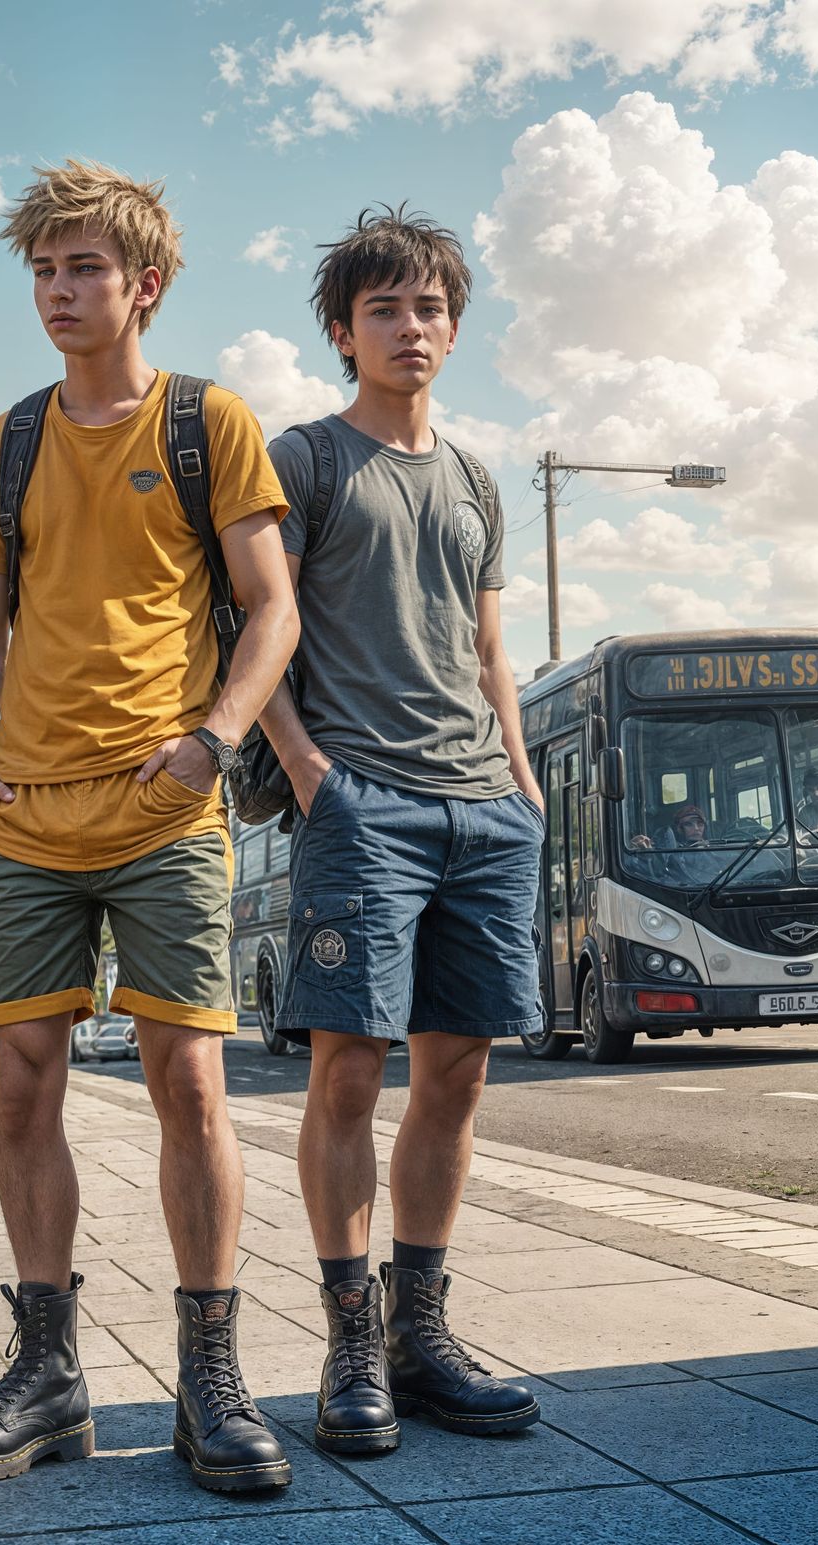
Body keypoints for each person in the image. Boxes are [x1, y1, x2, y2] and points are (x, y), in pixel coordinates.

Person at [0, 160, 300, 1492]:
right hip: (21, 812)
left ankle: (211, 1381)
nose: (59, 292)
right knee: (21, 1085)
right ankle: (48, 1372)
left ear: (144, 284)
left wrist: (214, 741)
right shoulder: (5, 442)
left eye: (83, 268)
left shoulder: (210, 425)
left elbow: (272, 609)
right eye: (42, 270)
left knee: (188, 1083)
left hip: (165, 809)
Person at [259, 207, 543, 1456]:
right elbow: (252, 634)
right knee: (346, 1073)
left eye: (428, 308)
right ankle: (348, 1346)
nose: (410, 327)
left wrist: (521, 782)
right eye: (384, 309)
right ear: (343, 331)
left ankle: (422, 1337)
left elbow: (489, 649)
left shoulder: (477, 478)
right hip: (362, 804)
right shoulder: (306, 461)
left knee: (459, 1074)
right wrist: (313, 772)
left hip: (481, 808)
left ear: (453, 326)